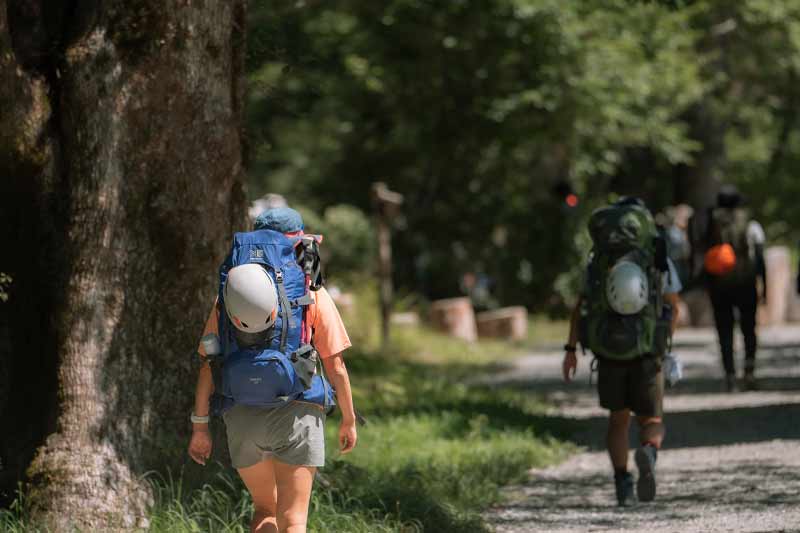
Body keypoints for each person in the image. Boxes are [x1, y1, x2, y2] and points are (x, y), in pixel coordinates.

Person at [188, 207, 358, 533]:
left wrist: (200, 427)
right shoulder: (311, 292)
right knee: (293, 519)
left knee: (265, 508)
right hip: (298, 410)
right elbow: (335, 366)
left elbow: (208, 366)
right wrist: (348, 419)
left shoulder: (231, 295)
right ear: (299, 243)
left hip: (241, 415)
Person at [562, 197, 682, 507]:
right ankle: (649, 452)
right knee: (652, 418)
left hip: (609, 349)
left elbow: (580, 307)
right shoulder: (656, 255)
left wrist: (571, 349)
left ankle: (622, 483)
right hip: (647, 350)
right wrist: (665, 343)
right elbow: (672, 304)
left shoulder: (598, 259)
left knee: (618, 421)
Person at [703, 185, 766, 392]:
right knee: (749, 328)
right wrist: (763, 286)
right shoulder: (751, 224)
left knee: (724, 330)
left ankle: (730, 376)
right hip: (745, 283)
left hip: (719, 284)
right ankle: (749, 372)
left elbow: (703, 254)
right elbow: (759, 259)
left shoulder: (711, 224)